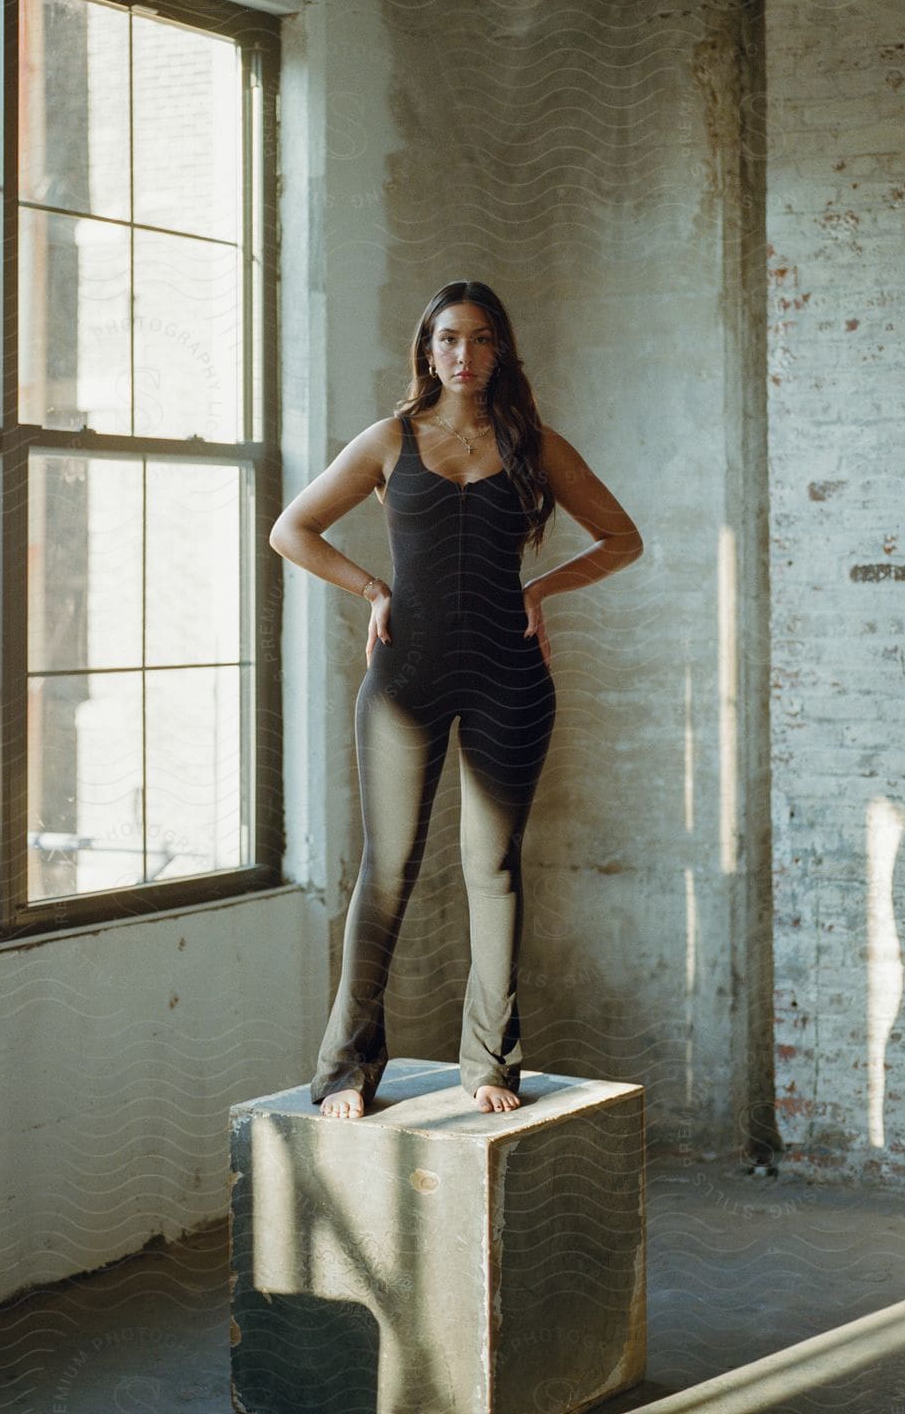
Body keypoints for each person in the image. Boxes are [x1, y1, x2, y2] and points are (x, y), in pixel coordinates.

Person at [269, 280, 643, 1118]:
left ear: (498, 348)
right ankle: (344, 1071)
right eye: (447, 340)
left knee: (494, 868)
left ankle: (492, 1065)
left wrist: (540, 590)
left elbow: (624, 539)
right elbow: (290, 529)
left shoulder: (534, 445)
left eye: (478, 339)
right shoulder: (387, 441)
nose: (462, 355)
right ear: (426, 350)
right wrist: (371, 589)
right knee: (388, 870)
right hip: (406, 677)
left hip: (510, 675)